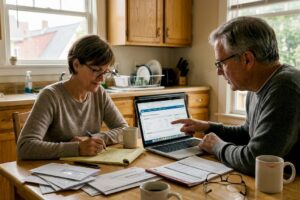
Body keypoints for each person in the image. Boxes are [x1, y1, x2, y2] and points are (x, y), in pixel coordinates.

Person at [172, 16, 300, 175]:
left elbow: (255, 161)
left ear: (247, 59)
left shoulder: (285, 88)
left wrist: (217, 147)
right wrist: (207, 127)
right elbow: (248, 134)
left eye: (221, 63)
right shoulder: (258, 86)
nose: (218, 72)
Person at [17, 35, 128, 160]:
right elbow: (25, 147)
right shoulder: (50, 96)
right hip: (55, 173)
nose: (102, 79)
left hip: (89, 169)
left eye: (105, 72)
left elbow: (124, 130)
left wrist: (93, 139)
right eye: (96, 70)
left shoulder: (99, 94)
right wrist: (77, 148)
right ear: (76, 65)